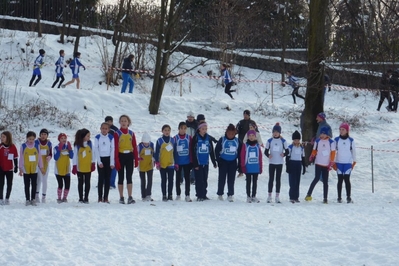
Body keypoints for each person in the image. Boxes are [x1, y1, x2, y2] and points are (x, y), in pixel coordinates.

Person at [305, 126, 336, 204]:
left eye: (323, 134)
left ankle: (325, 198)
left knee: (325, 181)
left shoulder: (331, 142)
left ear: (327, 134)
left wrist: (331, 162)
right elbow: (314, 150)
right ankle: (309, 194)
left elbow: (333, 153)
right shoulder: (318, 141)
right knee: (316, 178)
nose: (322, 135)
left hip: (326, 164)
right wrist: (312, 155)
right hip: (318, 163)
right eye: (321, 133)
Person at [114, 114, 139, 204]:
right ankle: (121, 197)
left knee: (129, 176)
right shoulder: (117, 133)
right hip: (121, 156)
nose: (124, 122)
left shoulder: (131, 133)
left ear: (128, 122)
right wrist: (116, 159)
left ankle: (130, 196)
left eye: (125, 121)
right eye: (122, 121)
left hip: (129, 156)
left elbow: (135, 146)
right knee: (121, 177)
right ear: (120, 122)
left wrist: (136, 159)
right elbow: (116, 147)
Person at [215, 124, 241, 202]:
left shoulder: (237, 141)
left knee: (231, 179)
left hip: (233, 162)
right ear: (226, 132)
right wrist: (218, 160)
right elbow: (217, 150)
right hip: (223, 161)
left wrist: (239, 164)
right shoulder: (222, 139)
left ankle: (230, 194)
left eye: (232, 134)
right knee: (222, 178)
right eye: (229, 133)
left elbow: (240, 153)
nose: (230, 135)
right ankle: (220, 194)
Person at [191, 122, 217, 201]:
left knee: (205, 179)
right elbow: (192, 151)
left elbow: (211, 151)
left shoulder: (208, 138)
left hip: (205, 162)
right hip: (198, 163)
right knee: (199, 180)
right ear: (199, 129)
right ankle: (199, 195)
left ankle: (204, 194)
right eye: (203, 129)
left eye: (206, 129)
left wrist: (214, 162)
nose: (204, 130)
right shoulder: (196, 138)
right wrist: (195, 164)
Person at [264, 123, 289, 203]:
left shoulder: (283, 141)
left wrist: (284, 154)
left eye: (277, 132)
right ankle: (269, 196)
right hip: (272, 162)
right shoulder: (269, 140)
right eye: (274, 132)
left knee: (278, 179)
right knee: (271, 179)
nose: (275, 133)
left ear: (279, 133)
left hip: (279, 163)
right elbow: (265, 151)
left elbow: (287, 151)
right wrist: (268, 155)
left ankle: (277, 196)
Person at [19, 131, 44, 206]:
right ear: (27, 138)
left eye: (33, 139)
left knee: (34, 184)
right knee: (26, 185)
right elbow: (21, 158)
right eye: (30, 139)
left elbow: (39, 158)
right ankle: (27, 199)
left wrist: (41, 167)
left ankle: (33, 199)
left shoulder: (37, 146)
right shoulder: (23, 146)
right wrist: (20, 168)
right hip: (26, 169)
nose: (31, 141)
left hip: (34, 169)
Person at [333, 123, 356, 203]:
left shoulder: (351, 140)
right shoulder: (336, 140)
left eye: (343, 130)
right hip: (339, 163)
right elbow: (333, 151)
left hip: (347, 163)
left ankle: (348, 197)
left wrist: (354, 162)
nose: (341, 131)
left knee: (347, 179)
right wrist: (333, 162)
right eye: (340, 129)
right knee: (340, 180)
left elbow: (354, 152)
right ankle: (339, 197)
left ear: (347, 131)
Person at [72, 128, 96, 203]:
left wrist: (93, 163)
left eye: (89, 136)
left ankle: (86, 197)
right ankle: (80, 198)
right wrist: (74, 166)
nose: (89, 138)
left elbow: (93, 154)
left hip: (88, 167)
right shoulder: (78, 145)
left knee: (88, 182)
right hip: (80, 168)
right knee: (80, 183)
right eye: (87, 136)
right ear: (83, 136)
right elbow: (75, 156)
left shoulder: (90, 144)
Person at [94, 122, 115, 203]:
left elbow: (113, 149)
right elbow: (96, 149)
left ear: (108, 130)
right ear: (100, 129)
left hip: (108, 159)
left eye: (106, 129)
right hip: (101, 160)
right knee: (101, 179)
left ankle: (106, 197)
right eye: (103, 128)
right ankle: (99, 197)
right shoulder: (97, 137)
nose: (104, 130)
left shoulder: (111, 137)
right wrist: (99, 162)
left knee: (107, 179)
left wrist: (112, 162)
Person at [240, 130, 262, 203]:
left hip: (255, 167)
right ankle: (248, 196)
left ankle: (254, 196)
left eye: (253, 136)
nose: (251, 137)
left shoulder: (257, 146)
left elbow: (260, 157)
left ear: (255, 137)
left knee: (255, 182)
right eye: (250, 136)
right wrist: (243, 165)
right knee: (248, 182)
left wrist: (260, 167)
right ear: (248, 137)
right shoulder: (245, 145)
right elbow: (242, 155)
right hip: (248, 167)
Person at [154, 124, 176, 202]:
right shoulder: (159, 141)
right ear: (162, 131)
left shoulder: (173, 140)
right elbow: (156, 152)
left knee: (171, 180)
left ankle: (170, 194)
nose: (167, 132)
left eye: (168, 130)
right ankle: (164, 195)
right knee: (164, 180)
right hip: (162, 164)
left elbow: (175, 152)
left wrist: (176, 163)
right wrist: (157, 162)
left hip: (170, 164)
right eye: (165, 130)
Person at [173, 122, 193, 202]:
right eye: (181, 128)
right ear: (179, 129)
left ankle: (187, 195)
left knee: (187, 179)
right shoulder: (175, 138)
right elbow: (173, 151)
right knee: (178, 179)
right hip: (178, 162)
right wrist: (174, 162)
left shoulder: (189, 138)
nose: (183, 130)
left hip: (187, 162)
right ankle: (178, 194)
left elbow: (191, 150)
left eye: (185, 128)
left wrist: (191, 161)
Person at [286, 130, 306, 203]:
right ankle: (291, 196)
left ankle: (296, 196)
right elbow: (287, 157)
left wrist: (304, 166)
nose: (296, 141)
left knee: (297, 181)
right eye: (295, 140)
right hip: (292, 163)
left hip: (298, 164)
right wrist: (287, 166)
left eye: (297, 140)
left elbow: (303, 157)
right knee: (292, 181)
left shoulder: (301, 147)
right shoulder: (290, 147)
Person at [53, 133, 74, 203]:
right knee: (60, 184)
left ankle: (64, 198)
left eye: (65, 138)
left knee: (67, 184)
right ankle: (59, 198)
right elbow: (55, 158)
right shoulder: (56, 147)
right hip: (58, 170)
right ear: (59, 140)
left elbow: (71, 156)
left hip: (66, 169)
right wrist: (59, 149)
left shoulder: (67, 147)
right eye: (62, 138)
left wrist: (70, 149)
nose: (63, 140)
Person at [0, 131, 18, 205]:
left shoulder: (13, 147)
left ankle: (7, 198)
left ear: (8, 138)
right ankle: (1, 198)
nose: (2, 138)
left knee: (9, 184)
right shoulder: (0, 146)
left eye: (3, 137)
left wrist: (16, 166)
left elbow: (15, 157)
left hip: (9, 169)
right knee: (1, 184)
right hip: (1, 168)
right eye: (1, 136)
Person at [35, 128, 52, 203]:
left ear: (47, 135)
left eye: (45, 134)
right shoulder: (36, 142)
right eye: (42, 134)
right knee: (38, 180)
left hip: (45, 164)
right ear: (40, 135)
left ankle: (44, 196)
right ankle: (36, 195)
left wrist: (49, 157)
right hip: (37, 164)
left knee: (45, 180)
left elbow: (50, 153)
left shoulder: (49, 143)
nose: (43, 136)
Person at [138, 132, 154, 201]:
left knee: (150, 180)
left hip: (149, 165)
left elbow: (154, 153)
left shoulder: (152, 145)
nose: (146, 144)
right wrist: (138, 159)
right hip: (141, 166)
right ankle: (143, 195)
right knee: (143, 181)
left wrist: (155, 160)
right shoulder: (139, 146)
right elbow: (136, 154)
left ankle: (148, 194)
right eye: (144, 143)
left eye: (147, 143)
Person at [105, 116, 119, 189]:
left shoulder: (115, 130)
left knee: (113, 167)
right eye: (107, 121)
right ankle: (104, 182)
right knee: (105, 167)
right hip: (105, 151)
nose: (109, 123)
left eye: (110, 121)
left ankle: (112, 183)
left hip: (114, 150)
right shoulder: (104, 128)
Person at [186, 111, 197, 185]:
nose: (190, 118)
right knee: (186, 161)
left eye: (191, 117)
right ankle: (184, 177)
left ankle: (192, 177)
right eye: (189, 117)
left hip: (194, 145)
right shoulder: (185, 125)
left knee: (194, 161)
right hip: (186, 146)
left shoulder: (196, 125)